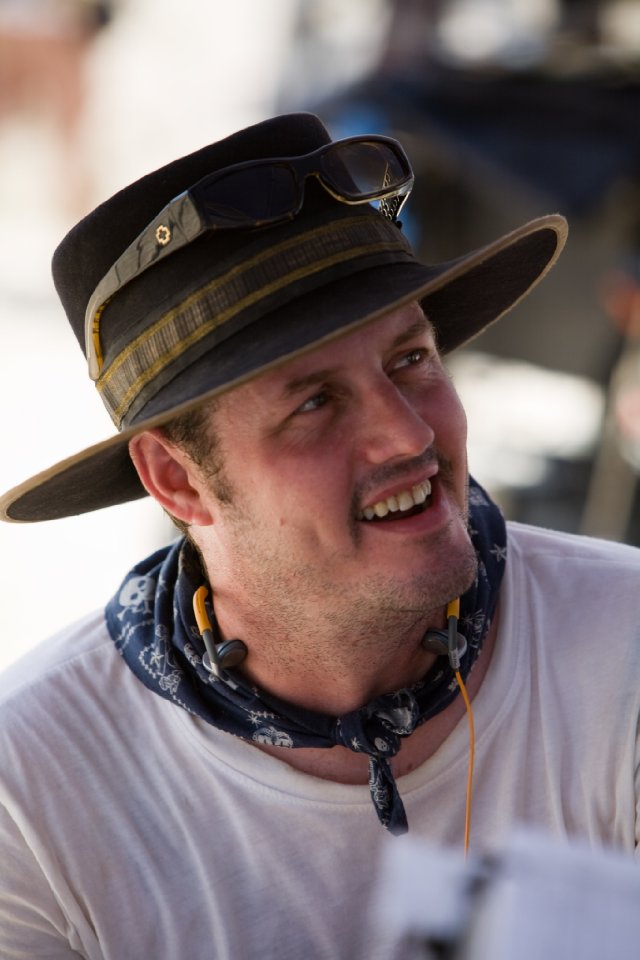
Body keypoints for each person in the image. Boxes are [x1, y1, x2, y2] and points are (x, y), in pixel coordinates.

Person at [0, 112, 638, 960]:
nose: (408, 433)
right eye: (315, 403)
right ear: (178, 481)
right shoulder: (29, 789)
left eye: (411, 359)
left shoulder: (624, 648)